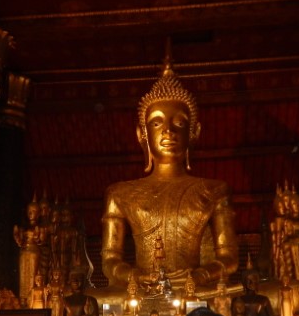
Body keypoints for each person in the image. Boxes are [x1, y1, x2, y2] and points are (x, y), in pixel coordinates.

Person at [101, 56, 238, 288]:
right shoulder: (120, 193)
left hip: (194, 288)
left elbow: (229, 258)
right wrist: (136, 277)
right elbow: (109, 261)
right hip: (142, 289)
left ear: (194, 132)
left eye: (179, 123)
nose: (168, 131)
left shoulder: (214, 190)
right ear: (142, 134)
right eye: (157, 123)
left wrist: (199, 276)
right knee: (100, 298)